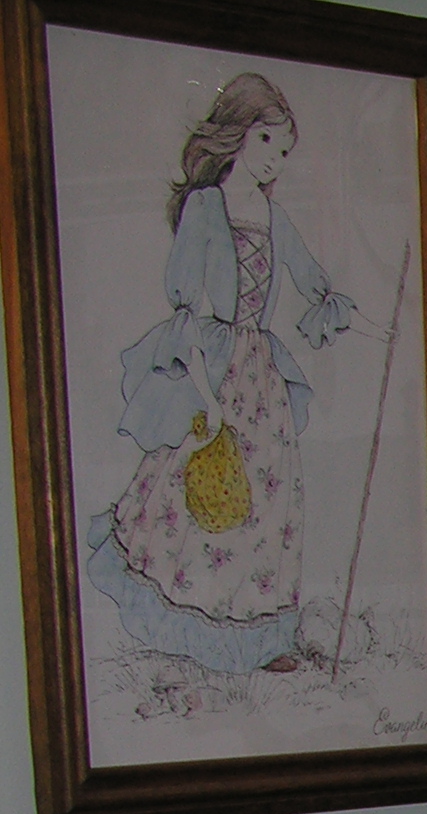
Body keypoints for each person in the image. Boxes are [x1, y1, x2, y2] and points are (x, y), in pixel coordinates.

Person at [86, 72, 356, 676]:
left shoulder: (274, 216)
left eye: (284, 150)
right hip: (212, 366)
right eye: (266, 140)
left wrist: (352, 317)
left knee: (267, 496)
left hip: (262, 375)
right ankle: (190, 625)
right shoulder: (207, 206)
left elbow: (312, 278)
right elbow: (186, 306)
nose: (274, 158)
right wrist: (206, 397)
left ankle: (259, 639)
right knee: (194, 490)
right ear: (237, 133)